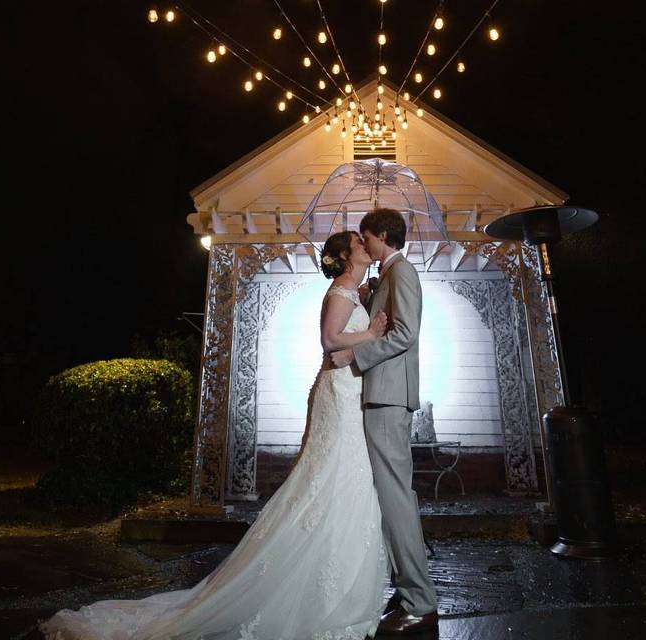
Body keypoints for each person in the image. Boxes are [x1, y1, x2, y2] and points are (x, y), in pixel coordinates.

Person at [39, 230, 391, 640]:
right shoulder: (340, 292)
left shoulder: (354, 290)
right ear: (347, 256)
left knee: (343, 480)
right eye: (359, 241)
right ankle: (312, 585)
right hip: (338, 394)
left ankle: (336, 577)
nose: (367, 245)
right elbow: (330, 341)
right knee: (329, 477)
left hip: (349, 393)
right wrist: (371, 334)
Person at [330, 208, 440, 634]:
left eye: (366, 237)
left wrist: (356, 355)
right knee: (392, 497)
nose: (364, 244)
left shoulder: (403, 272)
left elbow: (405, 333)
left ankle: (420, 601)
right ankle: (407, 588)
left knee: (395, 498)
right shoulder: (387, 276)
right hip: (382, 397)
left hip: (389, 396)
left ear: (381, 236)